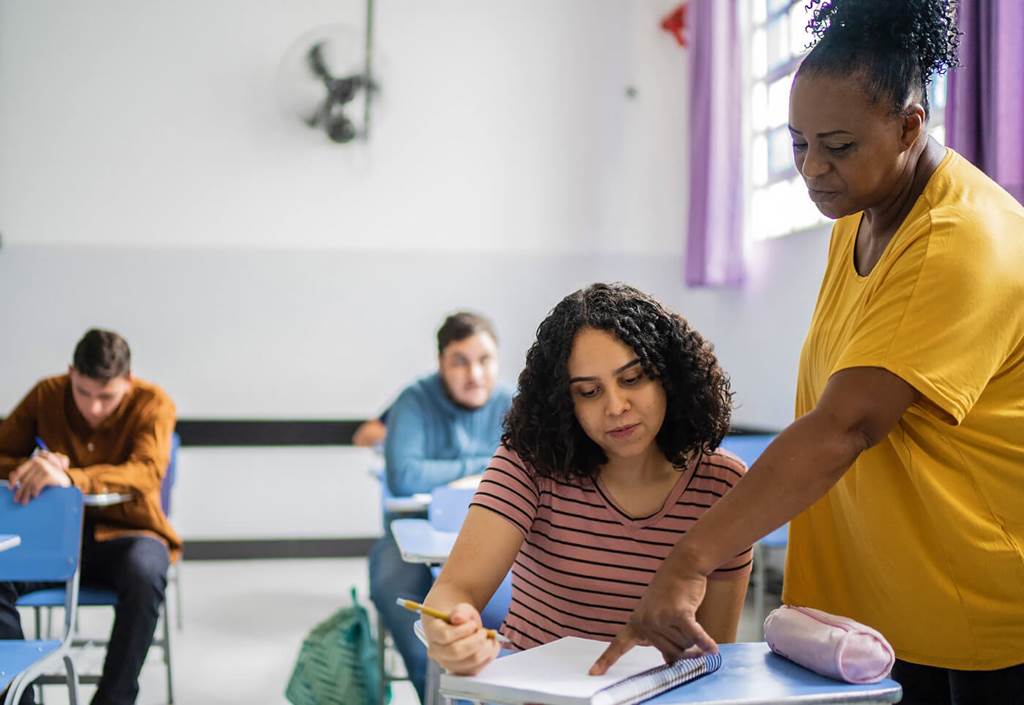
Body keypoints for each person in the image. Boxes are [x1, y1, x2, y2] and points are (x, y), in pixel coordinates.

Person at [591, 2, 1024, 703]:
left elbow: (845, 425)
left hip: (981, 609)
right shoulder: (859, 216)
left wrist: (692, 556)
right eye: (797, 144)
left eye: (839, 145)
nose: (812, 169)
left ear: (911, 126)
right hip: (890, 604)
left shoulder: (958, 240)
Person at [422, 283, 750, 677]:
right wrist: (448, 628)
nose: (615, 407)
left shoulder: (722, 485)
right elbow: (454, 591)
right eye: (589, 392)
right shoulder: (529, 463)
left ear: (670, 376)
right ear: (564, 402)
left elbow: (715, 656)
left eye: (632, 379)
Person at [0, 328, 180, 705]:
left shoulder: (154, 404)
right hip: (56, 536)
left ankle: (113, 700)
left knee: (147, 571)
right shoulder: (46, 394)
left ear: (128, 382)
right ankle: (16, 697)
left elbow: (146, 472)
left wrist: (70, 479)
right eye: (83, 392)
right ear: (70, 374)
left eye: (107, 396)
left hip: (129, 535)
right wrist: (35, 466)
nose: (94, 407)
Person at [368, 311, 513, 703]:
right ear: (441, 364)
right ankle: (437, 694)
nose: (475, 374)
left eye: (485, 360)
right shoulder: (414, 399)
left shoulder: (513, 402)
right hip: (408, 535)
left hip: (498, 538)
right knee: (393, 590)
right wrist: (488, 462)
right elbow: (405, 475)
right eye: (460, 361)